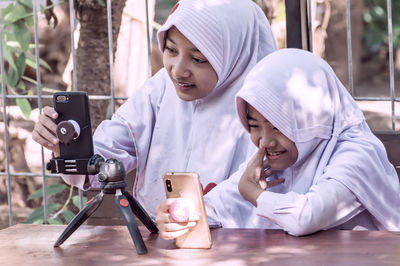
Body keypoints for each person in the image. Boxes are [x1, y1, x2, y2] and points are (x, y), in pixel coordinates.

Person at [32, 0, 277, 221]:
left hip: (244, 244)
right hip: (165, 237)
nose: (178, 70)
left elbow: (259, 192)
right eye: (171, 50)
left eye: (198, 58)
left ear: (236, 54)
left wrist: (194, 213)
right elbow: (110, 151)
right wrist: (66, 146)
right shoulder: (161, 89)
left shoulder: (267, 109)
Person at [157, 48, 400, 239]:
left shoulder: (357, 155)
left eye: (278, 125)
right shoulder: (277, 157)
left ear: (310, 116)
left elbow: (306, 217)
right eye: (253, 125)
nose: (265, 140)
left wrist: (254, 194)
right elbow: (220, 204)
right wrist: (181, 214)